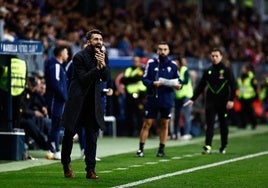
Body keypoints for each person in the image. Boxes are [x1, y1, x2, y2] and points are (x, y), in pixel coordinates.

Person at [60, 29, 110, 179]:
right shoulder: (79, 57)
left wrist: (103, 65)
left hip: (92, 104)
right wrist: (98, 67)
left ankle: (90, 169)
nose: (99, 42)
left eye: (100, 39)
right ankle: (66, 164)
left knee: (92, 138)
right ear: (88, 41)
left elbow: (106, 77)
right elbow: (83, 79)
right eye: (95, 39)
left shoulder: (102, 56)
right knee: (69, 135)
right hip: (77, 103)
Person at [184, 47, 237, 154]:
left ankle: (223, 145)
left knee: (223, 124)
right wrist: (193, 99)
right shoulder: (208, 71)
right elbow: (201, 86)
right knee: (210, 124)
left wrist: (231, 100)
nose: (214, 58)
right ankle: (208, 146)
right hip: (210, 101)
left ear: (221, 57)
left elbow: (234, 86)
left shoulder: (226, 70)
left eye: (217, 56)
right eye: (212, 56)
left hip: (223, 102)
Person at [136, 41, 182, 157]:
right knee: (147, 123)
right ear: (157, 50)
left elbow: (179, 81)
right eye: (160, 49)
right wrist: (153, 83)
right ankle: (141, 149)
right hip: (152, 99)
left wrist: (178, 86)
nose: (162, 51)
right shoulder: (151, 63)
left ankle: (161, 150)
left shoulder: (173, 65)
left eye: (165, 49)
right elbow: (144, 79)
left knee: (164, 124)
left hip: (167, 99)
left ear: (168, 51)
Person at [45, 45, 69, 160]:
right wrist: (65, 97)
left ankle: (51, 148)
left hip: (58, 100)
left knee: (56, 125)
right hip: (56, 100)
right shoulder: (56, 66)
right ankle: (56, 150)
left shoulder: (59, 66)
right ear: (60, 53)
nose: (67, 55)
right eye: (66, 52)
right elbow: (55, 84)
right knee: (56, 125)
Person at [121, 55, 147, 137]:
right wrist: (130, 79)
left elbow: (137, 78)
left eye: (137, 61)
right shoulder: (128, 69)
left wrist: (128, 79)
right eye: (134, 60)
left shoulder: (141, 70)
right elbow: (123, 80)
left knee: (139, 115)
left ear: (140, 62)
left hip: (139, 96)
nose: (135, 62)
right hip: (129, 95)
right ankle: (130, 132)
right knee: (128, 115)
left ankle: (140, 132)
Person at [172, 55, 194, 140]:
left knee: (186, 115)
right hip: (178, 96)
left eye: (177, 63)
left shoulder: (184, 70)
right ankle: (176, 133)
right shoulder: (173, 72)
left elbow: (186, 80)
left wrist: (176, 81)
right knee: (177, 115)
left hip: (186, 95)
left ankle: (187, 133)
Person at [236, 64, 258, 129]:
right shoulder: (241, 77)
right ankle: (244, 124)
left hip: (249, 97)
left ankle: (254, 123)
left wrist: (255, 96)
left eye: (243, 69)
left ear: (247, 70)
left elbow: (255, 87)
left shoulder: (251, 77)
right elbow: (240, 87)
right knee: (242, 111)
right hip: (242, 97)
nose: (242, 70)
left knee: (250, 111)